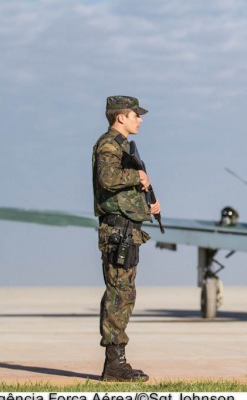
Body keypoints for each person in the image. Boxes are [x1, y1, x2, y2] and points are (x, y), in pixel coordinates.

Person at [92, 95, 161, 382]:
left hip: (126, 228)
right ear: (121, 117)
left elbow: (121, 193)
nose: (140, 119)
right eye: (135, 115)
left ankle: (117, 362)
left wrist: (148, 205)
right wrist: (138, 176)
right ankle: (114, 365)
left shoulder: (121, 147)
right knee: (119, 295)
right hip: (118, 230)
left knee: (124, 294)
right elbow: (107, 180)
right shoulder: (109, 144)